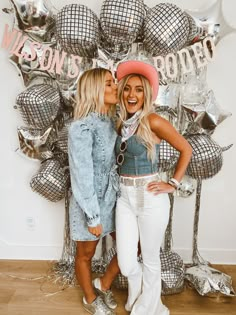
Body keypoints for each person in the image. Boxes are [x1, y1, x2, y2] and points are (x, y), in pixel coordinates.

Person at [115, 60, 192, 315]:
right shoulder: (119, 124)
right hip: (124, 197)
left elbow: (186, 149)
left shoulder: (153, 121)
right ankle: (137, 289)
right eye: (127, 89)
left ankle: (148, 309)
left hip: (151, 196)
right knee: (126, 264)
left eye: (138, 89)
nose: (131, 95)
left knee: (150, 258)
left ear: (146, 94)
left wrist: (173, 184)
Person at [68, 68, 120, 315]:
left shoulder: (110, 121)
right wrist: (92, 215)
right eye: (109, 84)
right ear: (95, 89)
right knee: (86, 253)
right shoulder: (82, 127)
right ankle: (90, 298)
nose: (115, 87)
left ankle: (104, 283)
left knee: (131, 245)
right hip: (90, 200)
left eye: (114, 83)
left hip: (112, 196)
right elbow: (82, 175)